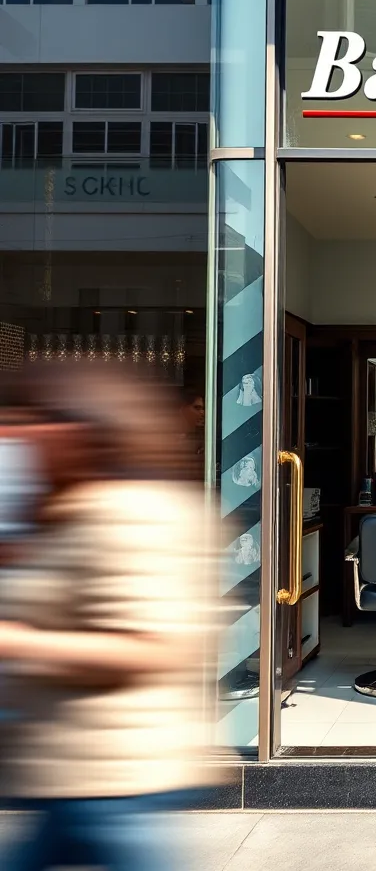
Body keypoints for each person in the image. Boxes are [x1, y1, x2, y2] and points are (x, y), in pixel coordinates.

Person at [0, 366, 220, 871]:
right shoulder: (61, 508)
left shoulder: (132, 513)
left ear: (78, 429)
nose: (15, 432)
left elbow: (154, 645)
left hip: (109, 765)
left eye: (33, 419)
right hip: (69, 763)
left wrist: (18, 642)